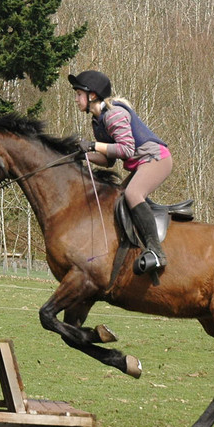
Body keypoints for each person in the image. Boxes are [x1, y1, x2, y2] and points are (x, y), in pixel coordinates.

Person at [68, 70, 173, 274]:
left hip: (157, 159)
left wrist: (93, 145)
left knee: (133, 194)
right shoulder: (98, 121)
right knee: (117, 198)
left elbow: (126, 149)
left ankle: (156, 252)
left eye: (78, 94)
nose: (75, 99)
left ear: (92, 95)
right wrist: (81, 155)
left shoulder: (114, 114)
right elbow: (108, 160)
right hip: (143, 162)